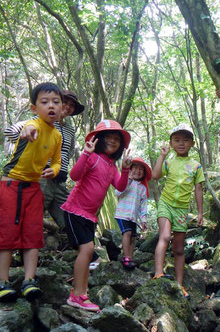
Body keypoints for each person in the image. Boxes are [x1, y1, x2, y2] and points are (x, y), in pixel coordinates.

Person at [0, 82, 63, 302]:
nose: (51, 106)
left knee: (32, 234)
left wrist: (53, 170)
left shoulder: (57, 136)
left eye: (56, 102)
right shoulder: (33, 124)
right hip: (12, 185)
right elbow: (28, 129)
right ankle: (1, 282)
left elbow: (57, 161)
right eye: (45, 102)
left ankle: (29, 280)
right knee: (7, 234)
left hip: (34, 187)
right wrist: (27, 132)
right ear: (34, 107)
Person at [61, 119, 132, 312]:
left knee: (86, 251)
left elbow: (120, 187)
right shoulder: (92, 157)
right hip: (75, 210)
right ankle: (77, 295)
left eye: (117, 139)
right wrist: (86, 153)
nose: (112, 141)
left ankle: (81, 293)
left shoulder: (111, 166)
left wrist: (125, 169)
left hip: (89, 215)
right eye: (108, 136)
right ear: (99, 139)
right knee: (87, 249)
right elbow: (74, 176)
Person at [4, 90, 85, 230]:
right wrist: (30, 146)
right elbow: (10, 131)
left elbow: (69, 151)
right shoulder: (41, 121)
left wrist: (61, 163)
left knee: (70, 218)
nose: (68, 106)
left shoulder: (70, 129)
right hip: (42, 177)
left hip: (60, 180)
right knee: (31, 215)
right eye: (65, 102)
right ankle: (20, 247)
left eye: (72, 105)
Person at [152, 124, 204, 299]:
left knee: (179, 249)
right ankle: (158, 273)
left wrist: (200, 213)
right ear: (171, 144)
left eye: (185, 140)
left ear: (192, 143)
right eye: (177, 140)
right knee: (165, 236)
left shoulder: (196, 166)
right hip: (166, 204)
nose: (181, 143)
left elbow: (198, 190)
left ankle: (180, 285)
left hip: (182, 209)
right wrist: (162, 155)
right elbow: (156, 175)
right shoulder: (169, 161)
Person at [115, 157, 152, 270]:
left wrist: (143, 220)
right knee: (127, 233)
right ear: (130, 170)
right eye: (135, 167)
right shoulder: (125, 181)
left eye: (141, 169)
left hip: (133, 217)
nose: (138, 170)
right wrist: (128, 180)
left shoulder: (142, 188)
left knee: (132, 237)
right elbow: (118, 193)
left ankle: (130, 258)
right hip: (122, 214)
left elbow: (143, 205)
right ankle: (126, 257)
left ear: (144, 174)